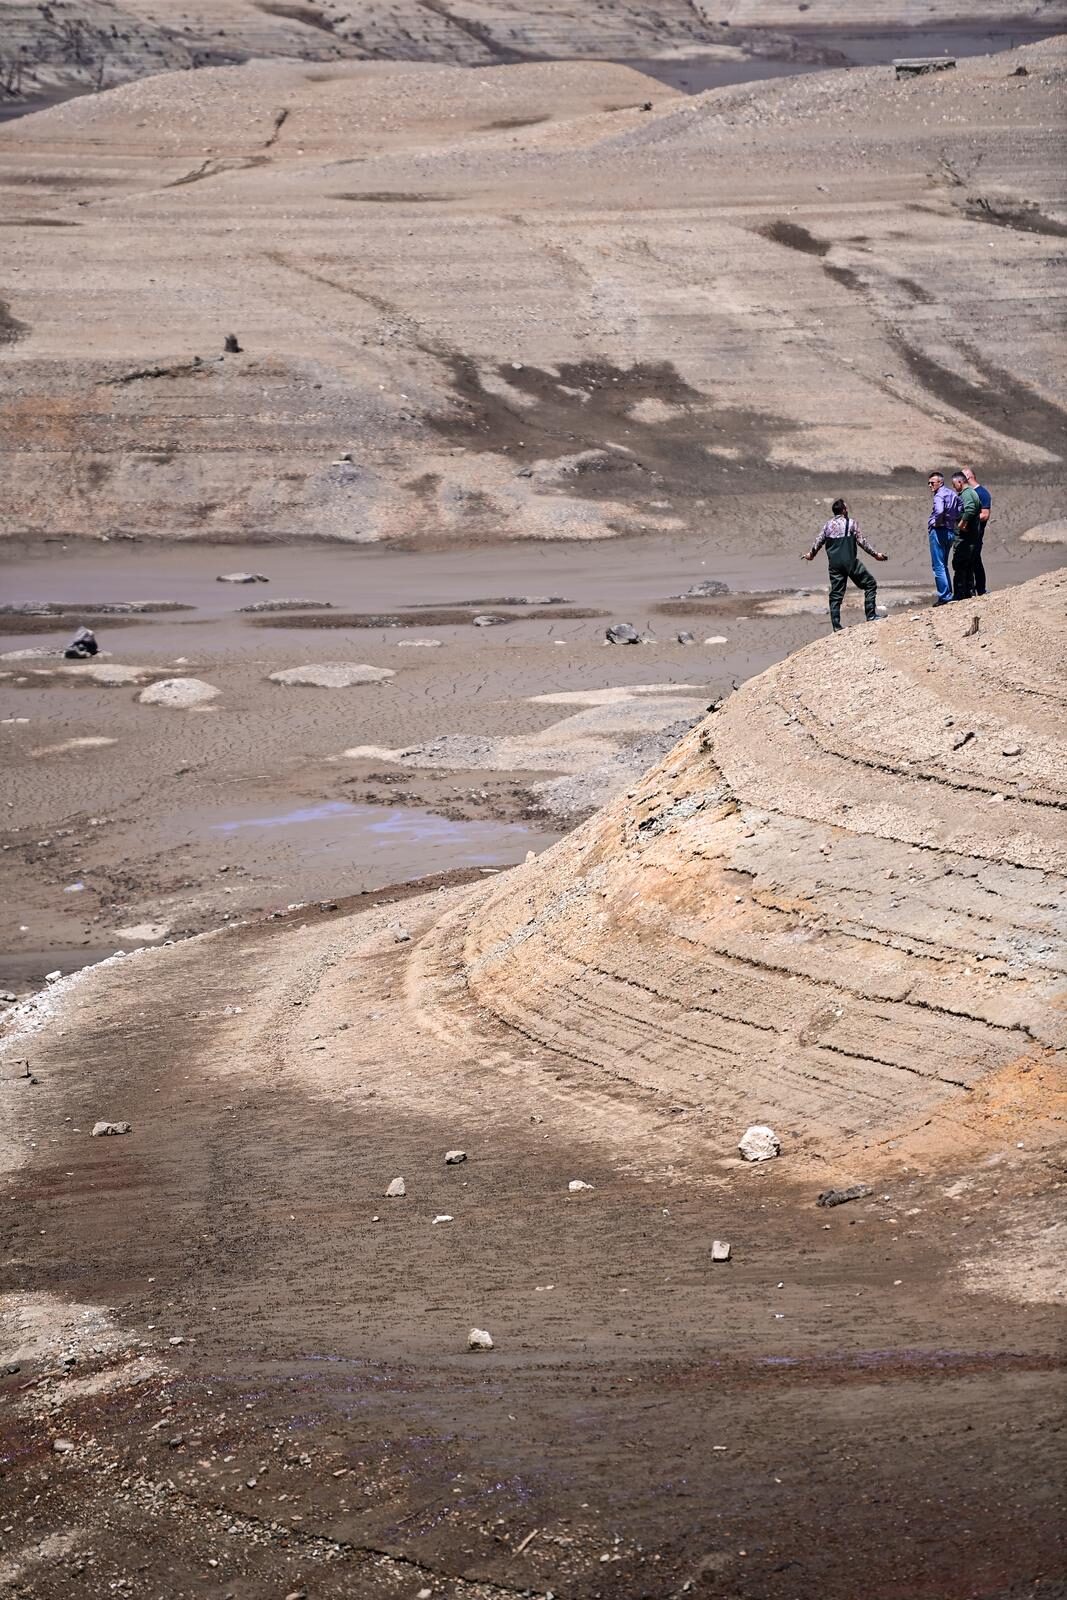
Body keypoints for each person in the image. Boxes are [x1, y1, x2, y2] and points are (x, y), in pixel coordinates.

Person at [803, 498, 888, 631]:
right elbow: (862, 542)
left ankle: (836, 626)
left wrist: (811, 555)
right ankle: (870, 615)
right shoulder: (851, 523)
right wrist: (876, 555)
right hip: (850, 562)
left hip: (834, 564)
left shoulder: (827, 525)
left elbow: (818, 542)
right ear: (843, 510)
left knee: (836, 594)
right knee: (870, 584)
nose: (847, 510)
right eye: (846, 508)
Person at [927, 470, 960, 604]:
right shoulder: (952, 493)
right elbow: (960, 507)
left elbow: (940, 510)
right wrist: (952, 520)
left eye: (932, 483)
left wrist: (938, 522)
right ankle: (948, 594)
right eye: (928, 483)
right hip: (950, 531)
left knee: (938, 566)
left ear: (940, 483)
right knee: (943, 564)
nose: (930, 485)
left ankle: (945, 596)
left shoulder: (939, 495)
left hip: (940, 531)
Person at [951, 469, 982, 602]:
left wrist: (962, 524)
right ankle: (968, 593)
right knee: (968, 567)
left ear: (959, 482)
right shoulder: (971, 493)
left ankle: (960, 595)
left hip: (965, 539)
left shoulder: (967, 494)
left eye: (954, 485)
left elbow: (970, 509)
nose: (954, 488)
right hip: (970, 537)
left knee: (960, 565)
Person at [961, 464, 991, 595]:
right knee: (969, 561)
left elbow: (985, 514)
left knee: (975, 561)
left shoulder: (982, 493)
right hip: (966, 534)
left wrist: (966, 519)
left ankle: (980, 589)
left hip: (976, 534)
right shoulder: (967, 493)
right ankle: (970, 589)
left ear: (968, 477)